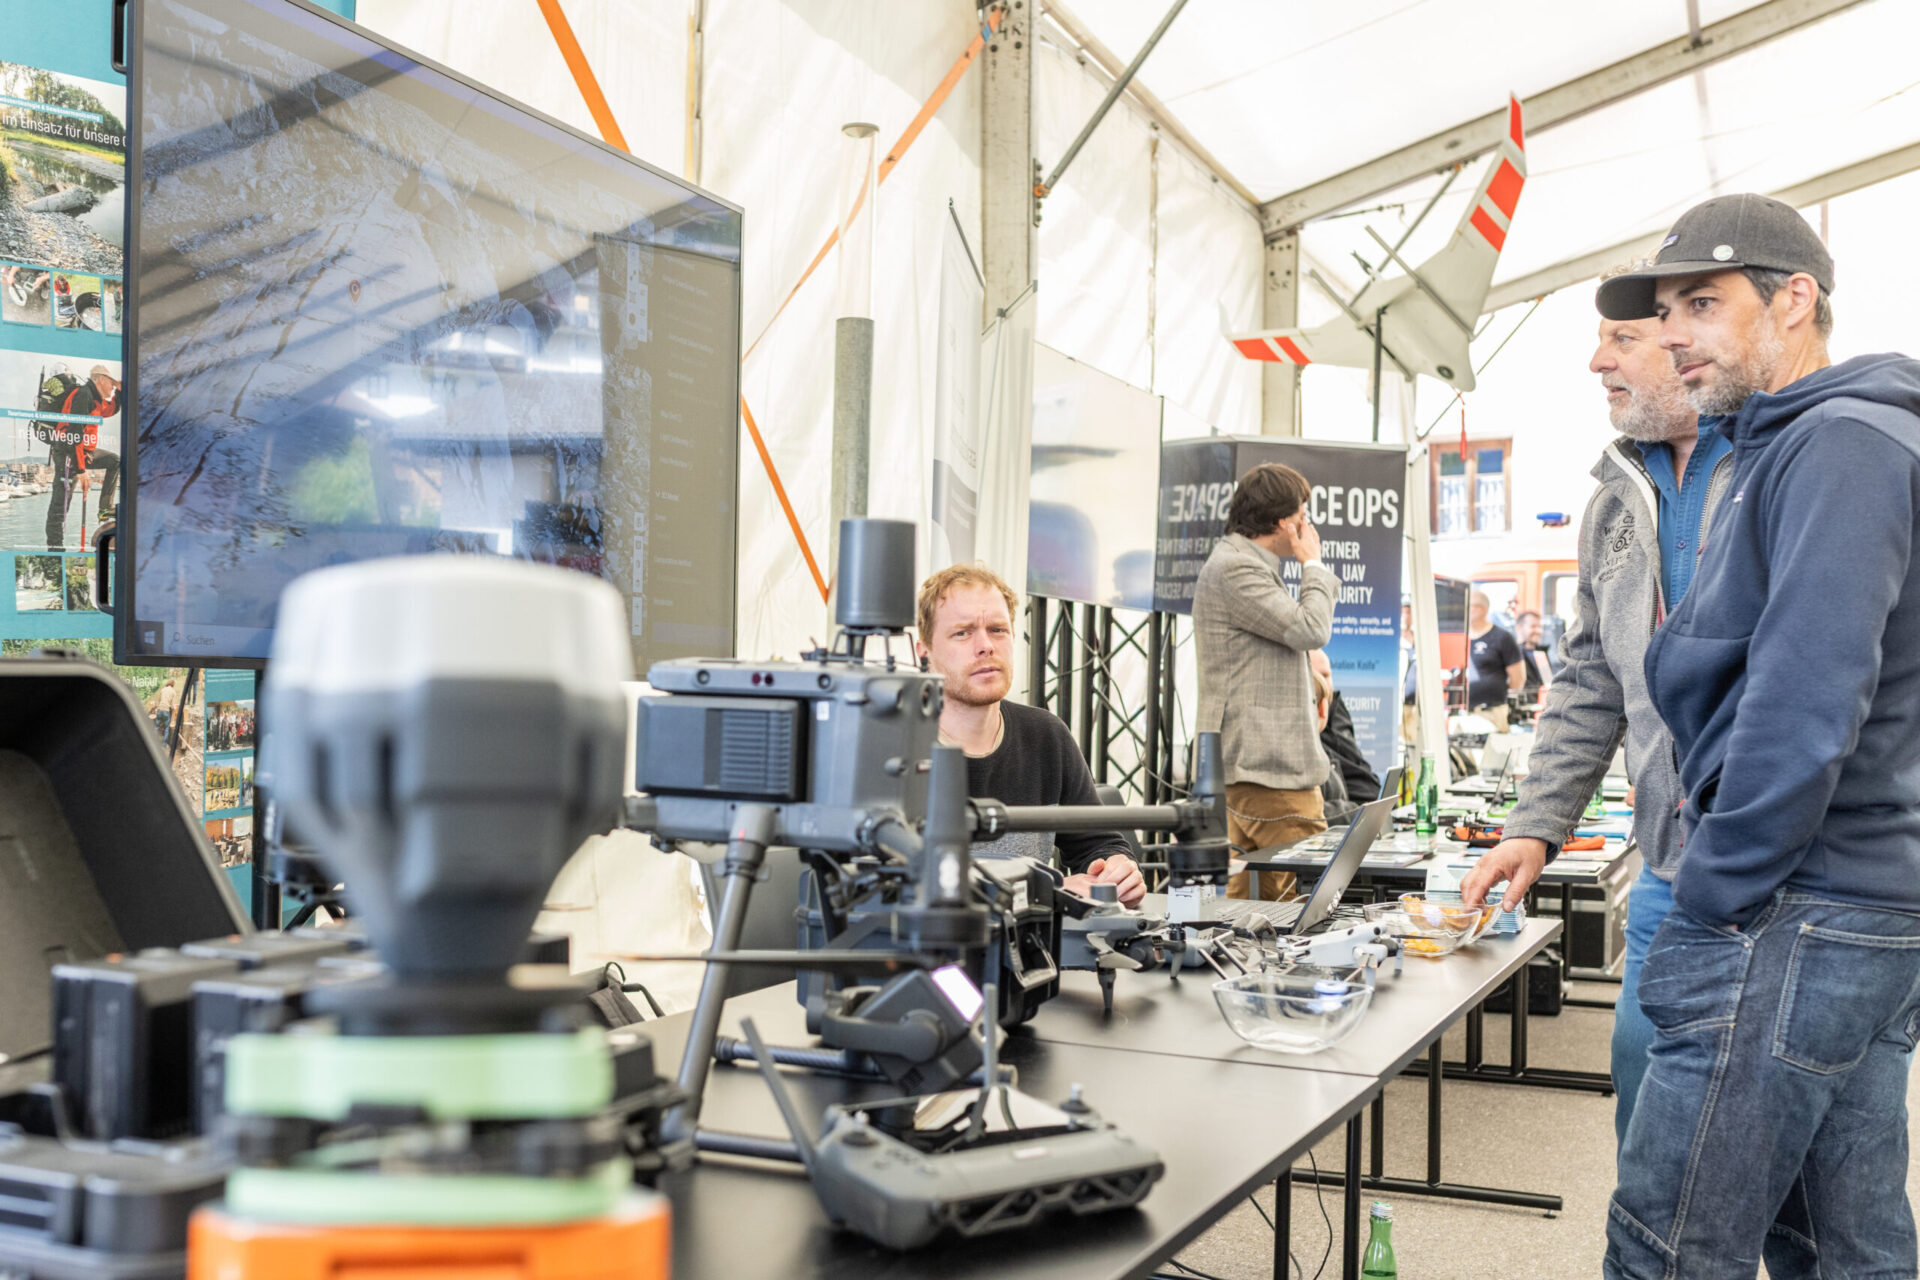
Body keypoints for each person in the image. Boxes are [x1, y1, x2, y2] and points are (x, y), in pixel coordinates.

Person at [1590, 193, 1920, 1280]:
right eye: (1665, 311)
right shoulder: (1801, 441)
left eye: (1702, 303)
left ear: (1795, 300)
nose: (1674, 333)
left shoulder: (1841, 442)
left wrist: (1713, 895)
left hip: (1796, 906)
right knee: (1840, 1244)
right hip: (1845, 905)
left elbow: (1808, 696)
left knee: (1671, 1244)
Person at [1461, 256, 1727, 1151]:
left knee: (1814, 1173)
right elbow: (1589, 684)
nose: (1597, 361)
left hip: (1797, 879)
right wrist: (1535, 826)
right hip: (1667, 872)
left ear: (1688, 342)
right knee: (1647, 1112)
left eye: (1622, 339)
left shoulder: (1783, 470)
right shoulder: (1611, 505)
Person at [915, 564, 1145, 906]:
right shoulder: (895, 749)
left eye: (997, 630)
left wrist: (1116, 870)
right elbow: (886, 884)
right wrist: (1051, 890)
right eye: (962, 633)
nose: (985, 646)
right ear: (924, 653)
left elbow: (1097, 844)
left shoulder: (1045, 736)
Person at [1192, 462, 1336, 899]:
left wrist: (1316, 688)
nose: (1307, 526)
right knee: (1310, 900)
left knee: (1251, 905)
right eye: (1303, 516)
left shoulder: (1242, 564)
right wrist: (1313, 565)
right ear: (1282, 522)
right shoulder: (1237, 568)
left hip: (1255, 768)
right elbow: (1310, 628)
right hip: (1267, 771)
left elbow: (1262, 658)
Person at [43, 365, 121, 550]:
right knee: (61, 506)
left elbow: (111, 410)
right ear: (100, 379)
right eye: (111, 383)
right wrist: (81, 470)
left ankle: (104, 508)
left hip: (83, 452)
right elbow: (74, 435)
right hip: (68, 453)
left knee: (114, 461)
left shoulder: (96, 399)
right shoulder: (83, 395)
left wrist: (119, 391)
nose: (112, 387)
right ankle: (55, 550)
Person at [1311, 648, 1380, 815]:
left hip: (1364, 806)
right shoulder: (1305, 747)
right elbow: (1312, 813)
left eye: (1327, 675)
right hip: (1350, 814)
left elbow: (1358, 765)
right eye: (1318, 677)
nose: (1324, 683)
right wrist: (1356, 812)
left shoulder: (1338, 710)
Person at [1464, 591, 1523, 728]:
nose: (1464, 610)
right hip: (1464, 713)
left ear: (1482, 609)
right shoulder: (1460, 637)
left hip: (1492, 713)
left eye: (1469, 606)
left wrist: (1495, 696)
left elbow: (1518, 679)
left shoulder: (1502, 638)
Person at [1511, 610, 1557, 700]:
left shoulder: (1541, 653)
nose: (1538, 631)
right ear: (1519, 628)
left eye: (1540, 627)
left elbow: (1547, 683)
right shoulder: (1511, 653)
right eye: (1533, 626)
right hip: (1521, 706)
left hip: (1542, 705)